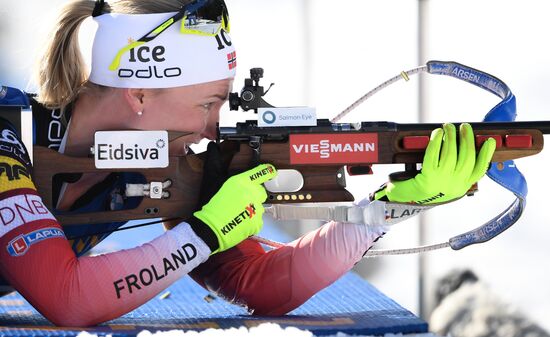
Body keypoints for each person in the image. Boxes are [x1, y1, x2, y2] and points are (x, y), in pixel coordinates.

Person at [0, 0, 496, 327]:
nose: (215, 127)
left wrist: (386, 210)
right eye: (206, 104)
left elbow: (258, 287)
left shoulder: (155, 163)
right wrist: (202, 234)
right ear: (140, 93)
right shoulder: (7, 139)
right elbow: (64, 297)